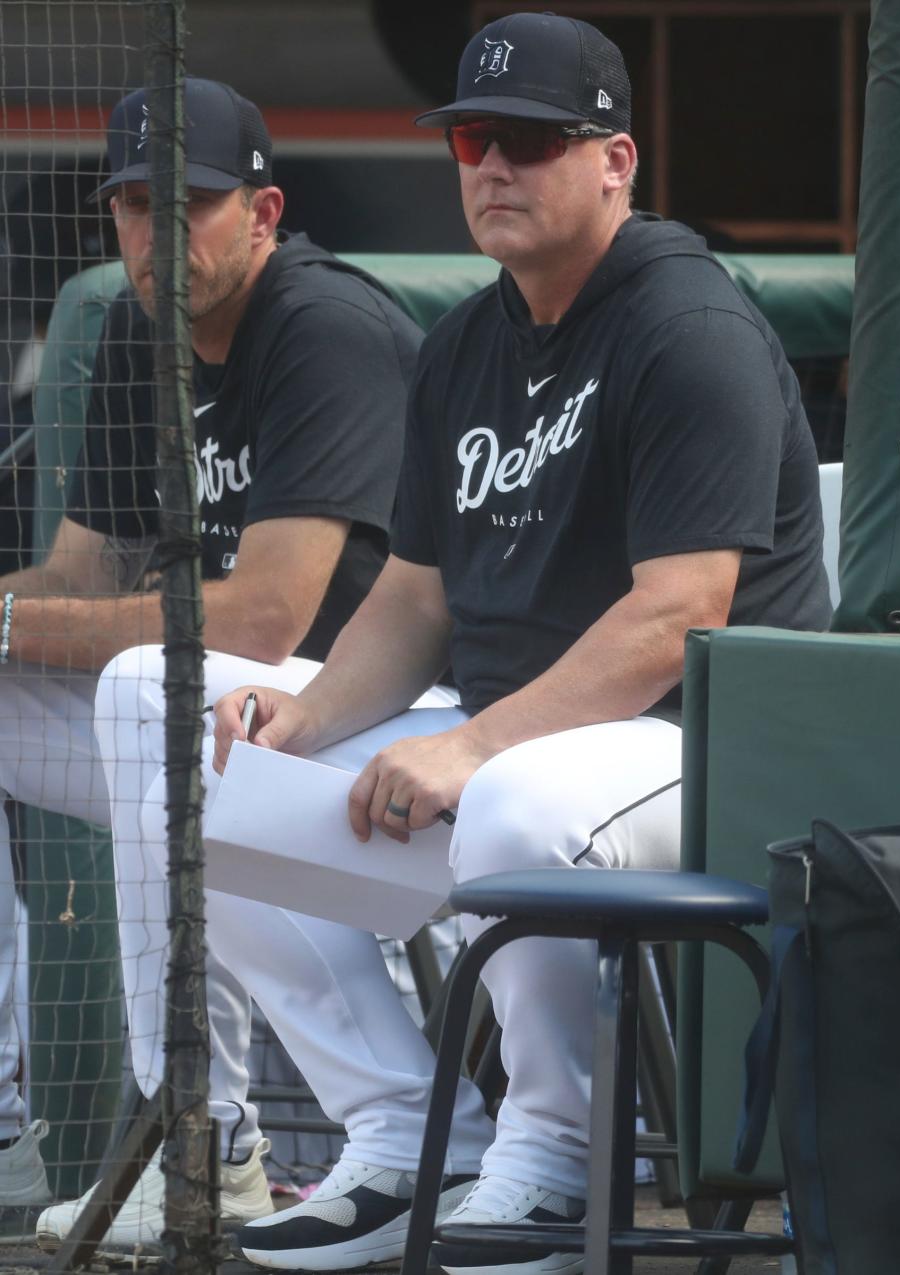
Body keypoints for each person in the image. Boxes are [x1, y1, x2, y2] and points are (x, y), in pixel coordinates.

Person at [162, 13, 831, 1275]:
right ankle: (410, 1126)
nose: (493, 168)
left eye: (531, 140)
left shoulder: (688, 325)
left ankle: (553, 1161)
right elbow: (417, 597)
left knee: (515, 800)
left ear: (616, 161)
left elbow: (680, 613)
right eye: (474, 138)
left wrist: (470, 744)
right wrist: (307, 722)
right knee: (206, 774)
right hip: (526, 747)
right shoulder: (468, 342)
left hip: (706, 743)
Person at [0, 74, 455, 1236]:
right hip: (236, 724)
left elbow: (264, 621)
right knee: (139, 693)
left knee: (149, 691)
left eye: (189, 204)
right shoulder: (130, 329)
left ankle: (207, 1135)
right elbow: (77, 582)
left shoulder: (321, 326)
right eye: (135, 208)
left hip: (391, 710)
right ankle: (12, 1117)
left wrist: (11, 625)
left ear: (261, 212)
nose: (158, 234)